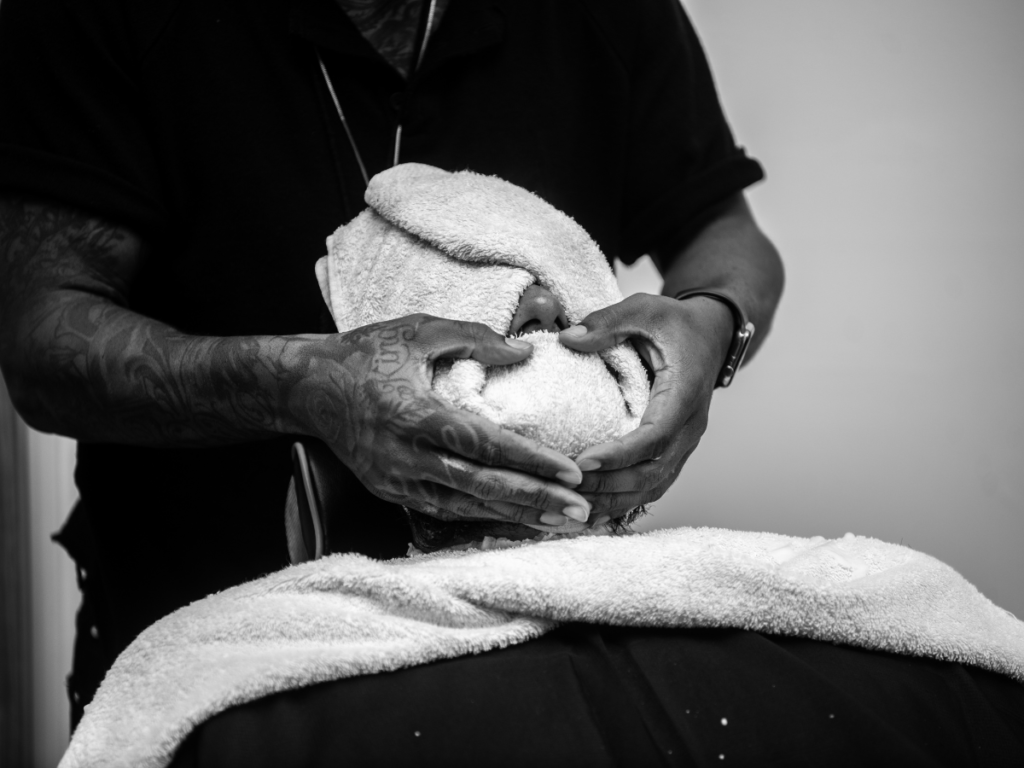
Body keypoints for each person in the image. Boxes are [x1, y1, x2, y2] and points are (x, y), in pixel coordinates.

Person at [0, 0, 784, 726]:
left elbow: (722, 228)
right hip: (207, 655)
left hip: (538, 643)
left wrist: (712, 325)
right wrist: (298, 385)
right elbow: (42, 337)